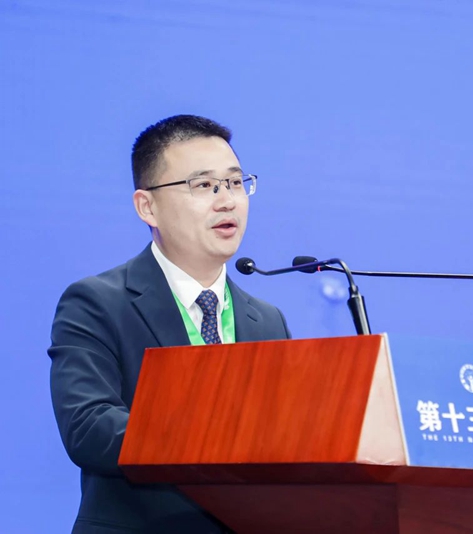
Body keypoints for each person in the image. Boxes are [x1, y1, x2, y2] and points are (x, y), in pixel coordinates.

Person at [47, 114, 291, 533]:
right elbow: (89, 427)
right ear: (148, 207)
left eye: (235, 182)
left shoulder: (267, 320)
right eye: (204, 185)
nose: (227, 201)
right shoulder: (97, 303)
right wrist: (217, 440)